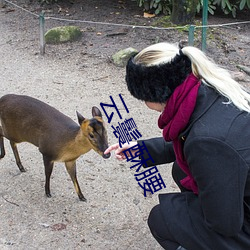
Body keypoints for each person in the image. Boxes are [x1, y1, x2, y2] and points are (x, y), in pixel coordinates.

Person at [104, 42, 250, 250]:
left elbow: (225, 224)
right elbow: (191, 139)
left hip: (241, 222)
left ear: (155, 93)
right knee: (181, 169)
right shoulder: (209, 88)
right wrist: (142, 149)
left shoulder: (207, 142)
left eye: (143, 97)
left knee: (162, 218)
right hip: (240, 186)